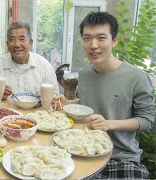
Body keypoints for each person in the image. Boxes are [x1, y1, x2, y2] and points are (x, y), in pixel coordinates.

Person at [52, 12, 155, 179]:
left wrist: (108, 124)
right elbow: (87, 103)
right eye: (87, 38)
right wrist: (68, 102)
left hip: (121, 157)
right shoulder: (84, 74)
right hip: (82, 149)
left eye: (101, 38)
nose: (93, 45)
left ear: (114, 40)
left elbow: (146, 120)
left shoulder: (137, 77)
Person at [0, 22, 59, 100]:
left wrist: (45, 97)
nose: (17, 44)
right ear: (7, 44)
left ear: (30, 43)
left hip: (36, 111)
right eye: (12, 39)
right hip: (7, 111)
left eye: (22, 39)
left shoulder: (44, 66)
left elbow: (55, 96)